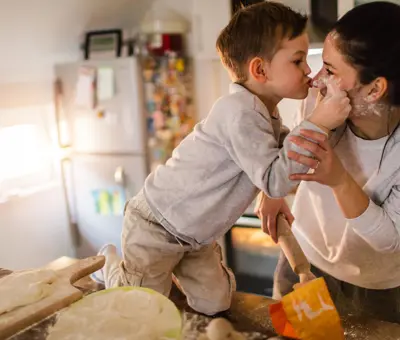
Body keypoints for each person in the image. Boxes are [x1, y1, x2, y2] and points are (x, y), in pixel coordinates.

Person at [90, 2, 350, 316]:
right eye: (298, 60)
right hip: (156, 226)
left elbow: (288, 160)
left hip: (195, 237)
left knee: (216, 303)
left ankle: (157, 275)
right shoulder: (238, 113)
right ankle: (112, 268)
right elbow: (274, 179)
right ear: (260, 70)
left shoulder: (266, 115)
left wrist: (319, 125)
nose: (308, 70)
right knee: (139, 308)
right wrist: (319, 122)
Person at [257, 1, 400, 323]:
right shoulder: (318, 99)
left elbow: (390, 239)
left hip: (377, 287)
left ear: (376, 88)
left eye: (331, 71)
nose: (316, 79)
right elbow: (291, 148)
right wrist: (273, 189)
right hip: (302, 261)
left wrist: (338, 179)